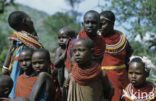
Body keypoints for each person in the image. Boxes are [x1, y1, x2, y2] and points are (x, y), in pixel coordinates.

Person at [2, 11, 43, 99]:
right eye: (30, 19)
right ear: (25, 21)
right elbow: (16, 72)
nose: (32, 21)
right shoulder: (23, 44)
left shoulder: (27, 39)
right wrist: (13, 97)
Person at [99, 10, 133, 101]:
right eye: (99, 24)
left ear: (112, 24)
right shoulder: (97, 39)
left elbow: (130, 50)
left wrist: (125, 64)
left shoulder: (122, 38)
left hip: (122, 76)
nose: (100, 27)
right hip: (104, 76)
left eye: (102, 24)